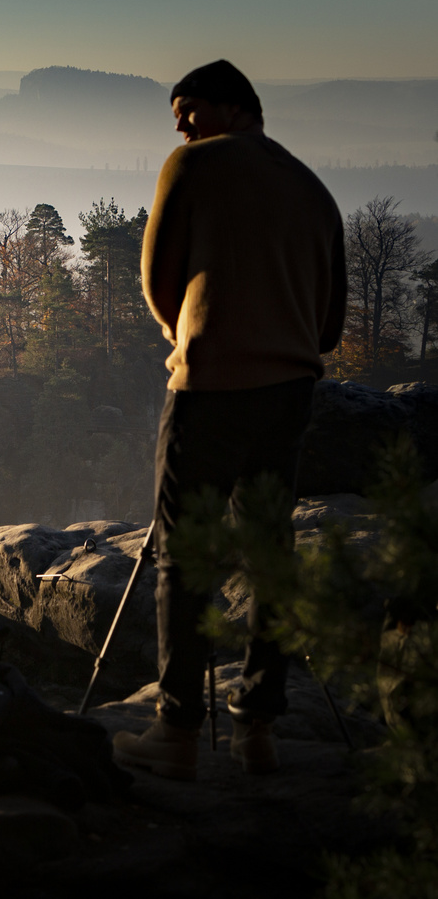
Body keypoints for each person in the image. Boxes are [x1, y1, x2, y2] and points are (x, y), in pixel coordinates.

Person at [113, 60, 346, 780]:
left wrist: (187, 335)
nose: (180, 125)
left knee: (183, 556)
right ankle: (259, 729)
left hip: (210, 384)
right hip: (290, 390)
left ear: (233, 108)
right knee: (270, 552)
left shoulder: (191, 166)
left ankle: (178, 731)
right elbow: (331, 325)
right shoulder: (313, 187)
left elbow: (158, 282)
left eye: (188, 110)